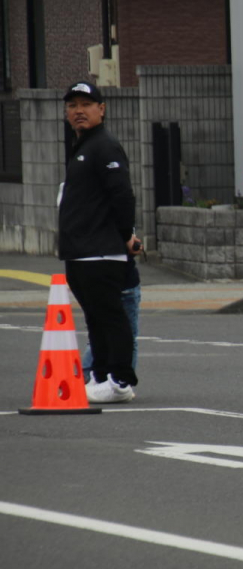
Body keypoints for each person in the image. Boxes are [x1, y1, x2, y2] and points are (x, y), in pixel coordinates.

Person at [59, 82, 139, 404]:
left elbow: (122, 195)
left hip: (102, 251)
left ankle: (120, 380)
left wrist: (125, 236)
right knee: (96, 317)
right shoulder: (84, 146)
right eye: (72, 105)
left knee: (109, 316)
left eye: (86, 104)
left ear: (101, 109)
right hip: (82, 252)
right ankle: (103, 375)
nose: (79, 110)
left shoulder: (105, 146)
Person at [80, 254, 140, 384]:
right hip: (124, 280)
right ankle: (122, 381)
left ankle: (87, 375)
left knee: (98, 331)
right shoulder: (117, 235)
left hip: (94, 278)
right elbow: (129, 245)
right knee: (127, 336)